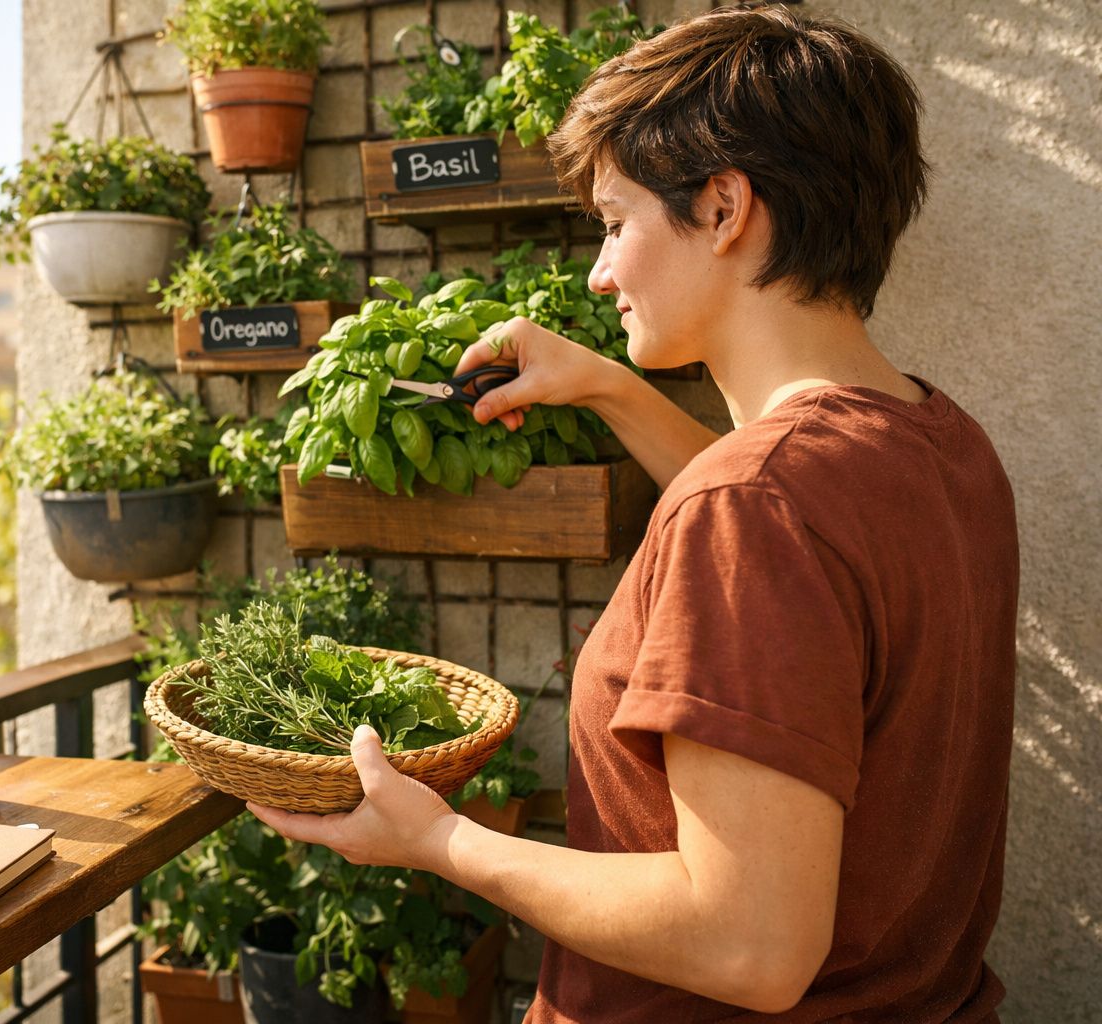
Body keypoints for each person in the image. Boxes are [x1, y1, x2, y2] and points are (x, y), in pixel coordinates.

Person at [248, 4, 1019, 1021]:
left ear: (722, 208)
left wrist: (441, 841)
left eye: (615, 222)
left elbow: (748, 942)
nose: (601, 270)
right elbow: (798, 573)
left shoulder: (758, 503)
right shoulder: (939, 444)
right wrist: (610, 387)